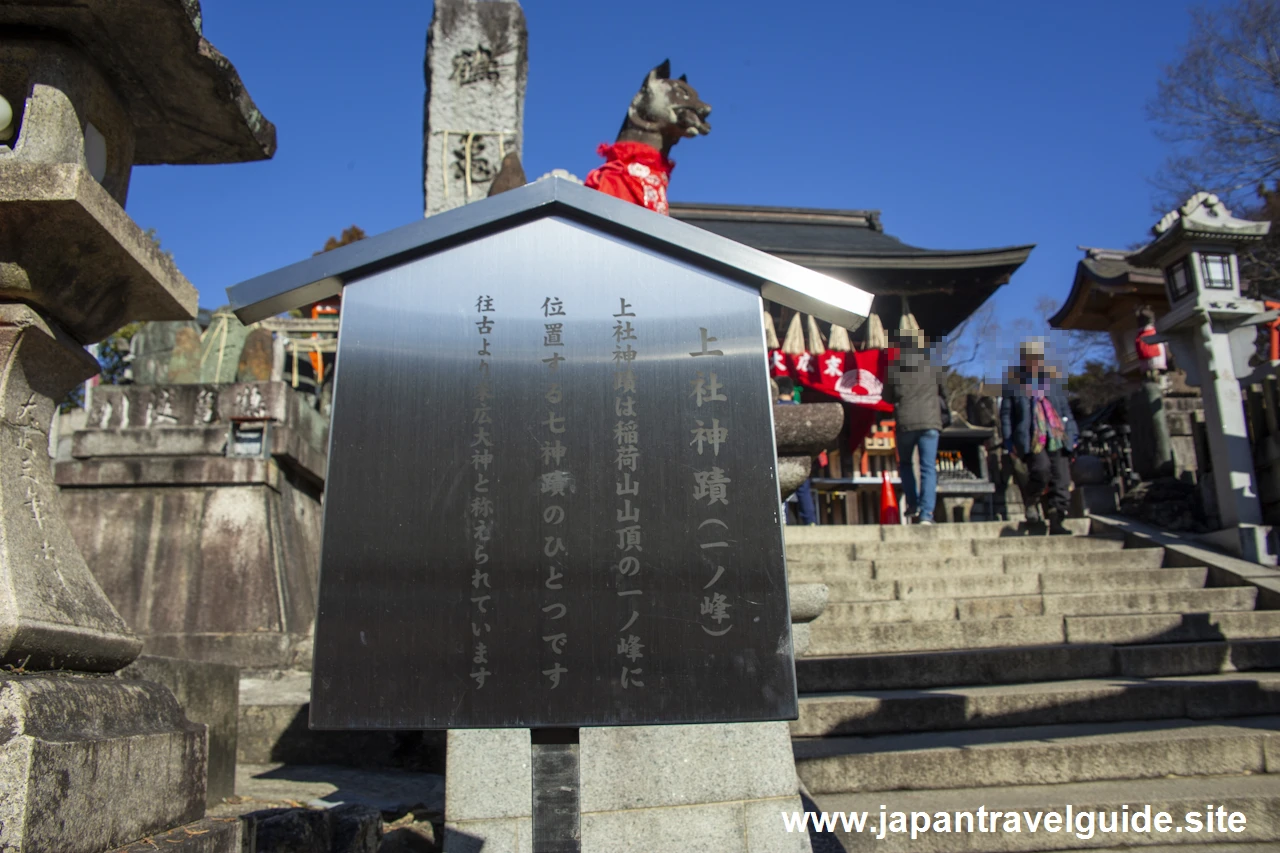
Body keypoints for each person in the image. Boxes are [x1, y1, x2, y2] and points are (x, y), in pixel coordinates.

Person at [1000, 339, 1079, 535]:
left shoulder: (1053, 383)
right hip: (1032, 438)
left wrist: (1073, 435)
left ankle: (1056, 519)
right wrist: (1009, 442)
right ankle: (1032, 499)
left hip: (1057, 437)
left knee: (1061, 481)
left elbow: (1065, 410)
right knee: (1041, 471)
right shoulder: (1014, 385)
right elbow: (1006, 416)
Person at [882, 330, 946, 524]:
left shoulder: (895, 369)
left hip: (906, 422)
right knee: (928, 467)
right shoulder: (932, 367)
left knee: (907, 464)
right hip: (930, 422)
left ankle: (912, 504)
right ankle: (927, 513)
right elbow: (944, 393)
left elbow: (886, 397)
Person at [776, 377, 817, 525]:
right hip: (800, 457)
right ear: (792, 392)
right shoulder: (800, 409)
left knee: (780, 492)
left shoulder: (773, 409)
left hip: (778, 458)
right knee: (803, 490)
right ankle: (810, 522)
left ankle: (782, 522)